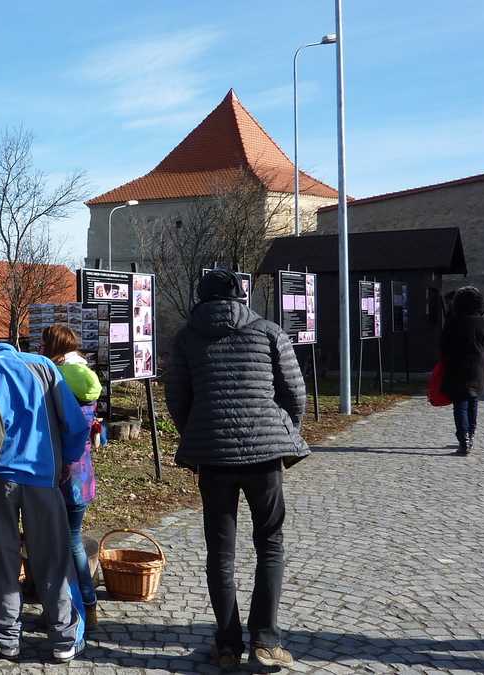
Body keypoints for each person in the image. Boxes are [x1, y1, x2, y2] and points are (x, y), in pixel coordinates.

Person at [165, 270, 309, 672]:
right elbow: (295, 391)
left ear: (201, 297)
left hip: (213, 458)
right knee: (270, 543)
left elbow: (177, 397)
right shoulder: (268, 331)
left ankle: (227, 646)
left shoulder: (186, 337)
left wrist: (198, 433)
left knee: (220, 552)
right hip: (264, 456)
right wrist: (284, 431)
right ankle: (265, 641)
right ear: (241, 295)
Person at [0, 323, 90, 662]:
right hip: (42, 474)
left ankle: (6, 638)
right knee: (52, 557)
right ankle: (63, 636)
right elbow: (76, 424)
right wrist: (68, 459)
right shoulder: (44, 366)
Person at [39, 324, 102, 628]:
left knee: (62, 543)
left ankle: (69, 608)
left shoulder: (58, 381)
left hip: (63, 474)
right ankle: (87, 607)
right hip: (85, 475)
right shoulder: (86, 379)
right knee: (72, 539)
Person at [439, 287, 484, 455]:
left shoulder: (453, 322)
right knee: (473, 402)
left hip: (457, 367)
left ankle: (464, 440)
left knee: (460, 405)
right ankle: (470, 435)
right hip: (478, 367)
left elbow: (444, 346)